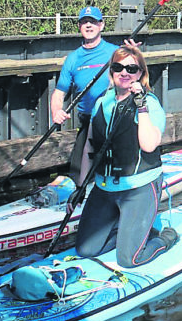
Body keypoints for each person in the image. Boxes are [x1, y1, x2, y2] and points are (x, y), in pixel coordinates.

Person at [69, 44, 176, 273]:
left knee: (130, 259)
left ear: (141, 74)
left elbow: (149, 144)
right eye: (119, 67)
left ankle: (165, 237)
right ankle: (125, 228)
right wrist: (80, 187)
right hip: (104, 188)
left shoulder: (150, 103)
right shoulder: (101, 102)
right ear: (112, 71)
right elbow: (90, 146)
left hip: (139, 187)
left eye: (132, 69)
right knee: (86, 250)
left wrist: (141, 107)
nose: (125, 73)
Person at [51, 6, 120, 179]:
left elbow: (136, 73)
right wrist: (56, 111)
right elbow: (59, 93)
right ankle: (76, 197)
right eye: (84, 22)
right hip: (88, 122)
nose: (89, 26)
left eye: (93, 22)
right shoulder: (73, 59)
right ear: (79, 27)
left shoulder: (115, 53)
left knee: (114, 170)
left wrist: (134, 53)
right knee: (77, 172)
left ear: (101, 25)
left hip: (114, 120)